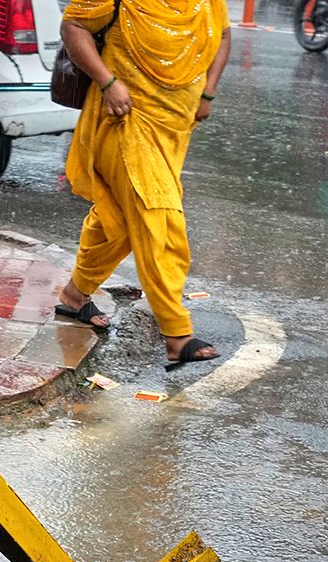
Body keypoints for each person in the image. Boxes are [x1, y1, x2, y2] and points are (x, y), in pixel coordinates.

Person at [55, 0, 231, 371]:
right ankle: (176, 334)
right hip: (124, 121)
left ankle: (75, 295)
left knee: (117, 223)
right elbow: (74, 27)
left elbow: (223, 34)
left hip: (173, 129)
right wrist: (108, 81)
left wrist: (208, 91)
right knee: (158, 214)